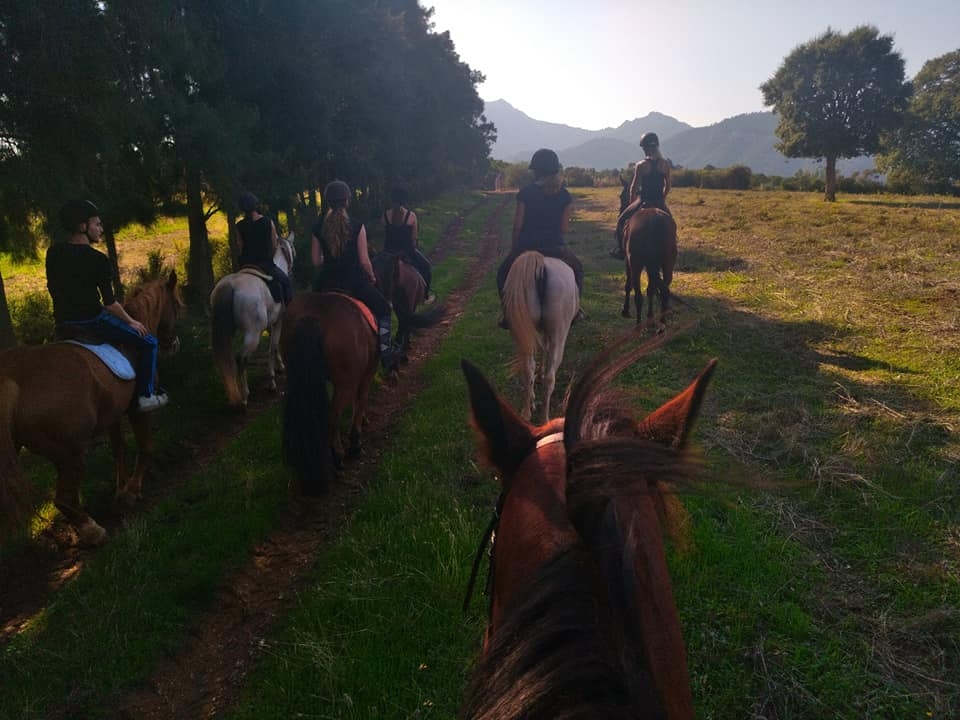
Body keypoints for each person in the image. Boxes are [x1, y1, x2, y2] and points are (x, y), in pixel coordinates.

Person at [46, 199, 169, 412]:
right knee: (148, 342)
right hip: (92, 322)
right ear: (83, 226)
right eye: (97, 224)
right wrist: (132, 322)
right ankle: (146, 395)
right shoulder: (98, 259)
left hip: (63, 324)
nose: (101, 229)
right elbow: (110, 303)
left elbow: (53, 289)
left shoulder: (53, 253)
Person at [311, 180, 400, 373]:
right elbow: (364, 261)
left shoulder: (318, 227)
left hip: (326, 283)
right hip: (353, 283)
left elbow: (316, 261)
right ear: (347, 201)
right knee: (384, 309)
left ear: (328, 202)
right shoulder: (357, 226)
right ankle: (386, 352)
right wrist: (372, 277)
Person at [496, 148, 584, 328]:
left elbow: (518, 225)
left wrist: (515, 249)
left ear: (536, 170)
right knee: (578, 271)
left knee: (502, 274)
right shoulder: (564, 195)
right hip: (556, 249)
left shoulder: (526, 193)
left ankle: (508, 313)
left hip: (527, 248)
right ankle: (576, 310)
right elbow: (564, 228)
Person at [610, 132, 672, 259]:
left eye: (644, 148)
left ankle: (621, 250)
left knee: (621, 220)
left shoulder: (641, 165)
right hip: (659, 201)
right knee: (671, 223)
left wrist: (633, 202)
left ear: (645, 148)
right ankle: (672, 246)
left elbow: (633, 187)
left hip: (643, 200)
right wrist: (662, 198)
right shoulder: (665, 164)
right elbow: (668, 186)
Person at [235, 191, 293, 305]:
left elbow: (240, 247)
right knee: (286, 282)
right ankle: (288, 312)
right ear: (255, 205)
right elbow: (274, 246)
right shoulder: (267, 222)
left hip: (245, 265)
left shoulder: (239, 225)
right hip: (264, 264)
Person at [382, 186, 435, 304]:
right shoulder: (411, 216)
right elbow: (413, 239)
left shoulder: (385, 216)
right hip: (406, 253)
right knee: (426, 268)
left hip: (388, 254)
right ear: (405, 200)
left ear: (392, 199)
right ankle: (425, 296)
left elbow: (386, 235)